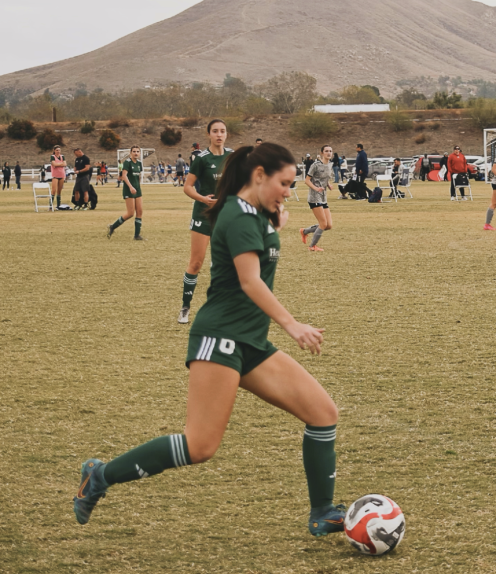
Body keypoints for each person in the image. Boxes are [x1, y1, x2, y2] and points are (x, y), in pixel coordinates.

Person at [72, 142, 346, 539]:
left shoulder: (255, 212)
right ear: (259, 176)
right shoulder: (236, 214)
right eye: (284, 183)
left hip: (250, 340)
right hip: (219, 339)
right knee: (200, 446)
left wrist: (276, 225)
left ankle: (322, 512)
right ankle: (99, 475)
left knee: (323, 414)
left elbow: (259, 245)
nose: (290, 191)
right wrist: (292, 325)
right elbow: (250, 280)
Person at [178, 119, 233, 324]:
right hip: (203, 214)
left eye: (223, 131)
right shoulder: (201, 159)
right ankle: (185, 307)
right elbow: (188, 187)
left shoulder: (232, 156)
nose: (219, 134)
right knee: (196, 262)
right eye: (215, 131)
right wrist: (203, 199)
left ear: (226, 134)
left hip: (225, 216)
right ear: (208, 134)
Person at [300, 144, 333, 252]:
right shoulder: (315, 165)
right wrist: (315, 188)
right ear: (322, 153)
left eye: (330, 151)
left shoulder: (330, 165)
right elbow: (307, 180)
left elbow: (324, 178)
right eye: (326, 151)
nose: (329, 153)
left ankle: (305, 231)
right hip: (314, 197)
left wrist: (328, 184)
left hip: (323, 197)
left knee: (328, 225)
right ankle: (312, 246)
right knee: (323, 224)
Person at [107, 146, 144, 240]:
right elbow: (124, 176)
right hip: (129, 189)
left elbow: (138, 176)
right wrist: (131, 187)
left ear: (139, 153)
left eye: (137, 151)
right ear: (131, 153)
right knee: (130, 213)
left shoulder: (139, 163)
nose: (136, 153)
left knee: (139, 211)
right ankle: (113, 226)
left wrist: (138, 186)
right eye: (134, 151)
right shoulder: (127, 162)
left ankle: (137, 235)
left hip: (137, 190)